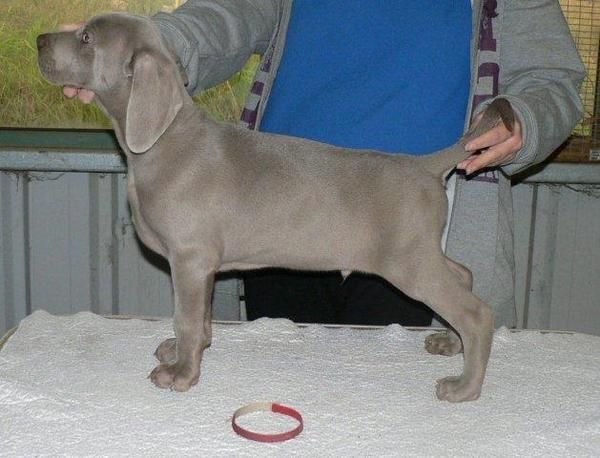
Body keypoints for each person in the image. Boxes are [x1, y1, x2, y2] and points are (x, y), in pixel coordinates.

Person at [64, 0, 585, 328]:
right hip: (274, 205)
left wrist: (525, 118)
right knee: (285, 399)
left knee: (411, 421)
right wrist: (132, 48)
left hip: (408, 213)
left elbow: (552, 78)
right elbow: (229, 15)